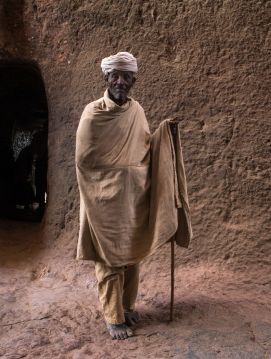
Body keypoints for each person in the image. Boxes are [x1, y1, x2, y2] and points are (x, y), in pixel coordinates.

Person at [75, 52, 192, 340]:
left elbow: (146, 148)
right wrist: (115, 174)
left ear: (133, 80)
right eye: (114, 75)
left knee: (132, 254)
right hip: (103, 201)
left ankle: (126, 308)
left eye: (126, 76)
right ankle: (113, 318)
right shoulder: (93, 113)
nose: (120, 81)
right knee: (109, 257)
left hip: (133, 199)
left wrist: (166, 132)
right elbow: (84, 161)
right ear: (106, 78)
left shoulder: (136, 111)